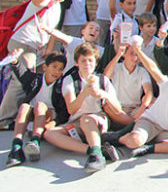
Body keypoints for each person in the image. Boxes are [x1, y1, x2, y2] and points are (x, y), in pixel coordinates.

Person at [0, 0, 72, 127]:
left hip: (36, 48)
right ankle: (4, 120)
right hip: (23, 43)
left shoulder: (57, 7)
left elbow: (48, 29)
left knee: (38, 80)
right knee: (21, 80)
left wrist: (45, 47)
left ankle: (31, 115)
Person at [110, 43, 168, 158]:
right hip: (150, 123)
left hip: (166, 132)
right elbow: (152, 68)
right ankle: (117, 139)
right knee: (135, 141)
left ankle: (148, 149)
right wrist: (139, 51)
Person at [44, 43, 122, 172]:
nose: (87, 64)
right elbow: (72, 109)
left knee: (87, 119)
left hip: (97, 118)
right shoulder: (70, 80)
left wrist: (104, 95)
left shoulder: (103, 80)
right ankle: (94, 150)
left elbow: (118, 109)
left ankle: (96, 157)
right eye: (83, 61)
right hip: (76, 121)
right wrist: (84, 93)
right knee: (50, 134)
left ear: (96, 63)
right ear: (76, 63)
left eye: (90, 60)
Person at [5, 52, 67, 167]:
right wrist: (15, 61)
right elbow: (22, 73)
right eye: (54, 67)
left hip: (48, 115)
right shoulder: (36, 80)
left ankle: (35, 141)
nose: (57, 71)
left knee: (40, 106)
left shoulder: (61, 86)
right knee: (24, 106)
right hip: (33, 115)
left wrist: (54, 123)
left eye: (60, 69)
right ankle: (16, 146)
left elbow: (64, 112)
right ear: (45, 67)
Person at [102, 44, 153, 127]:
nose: (135, 57)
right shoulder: (116, 67)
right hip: (118, 107)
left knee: (151, 104)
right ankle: (132, 124)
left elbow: (149, 92)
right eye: (131, 53)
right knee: (107, 106)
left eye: (137, 55)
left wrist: (142, 109)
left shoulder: (142, 71)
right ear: (124, 54)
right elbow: (105, 76)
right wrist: (118, 55)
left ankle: (129, 124)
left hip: (135, 108)